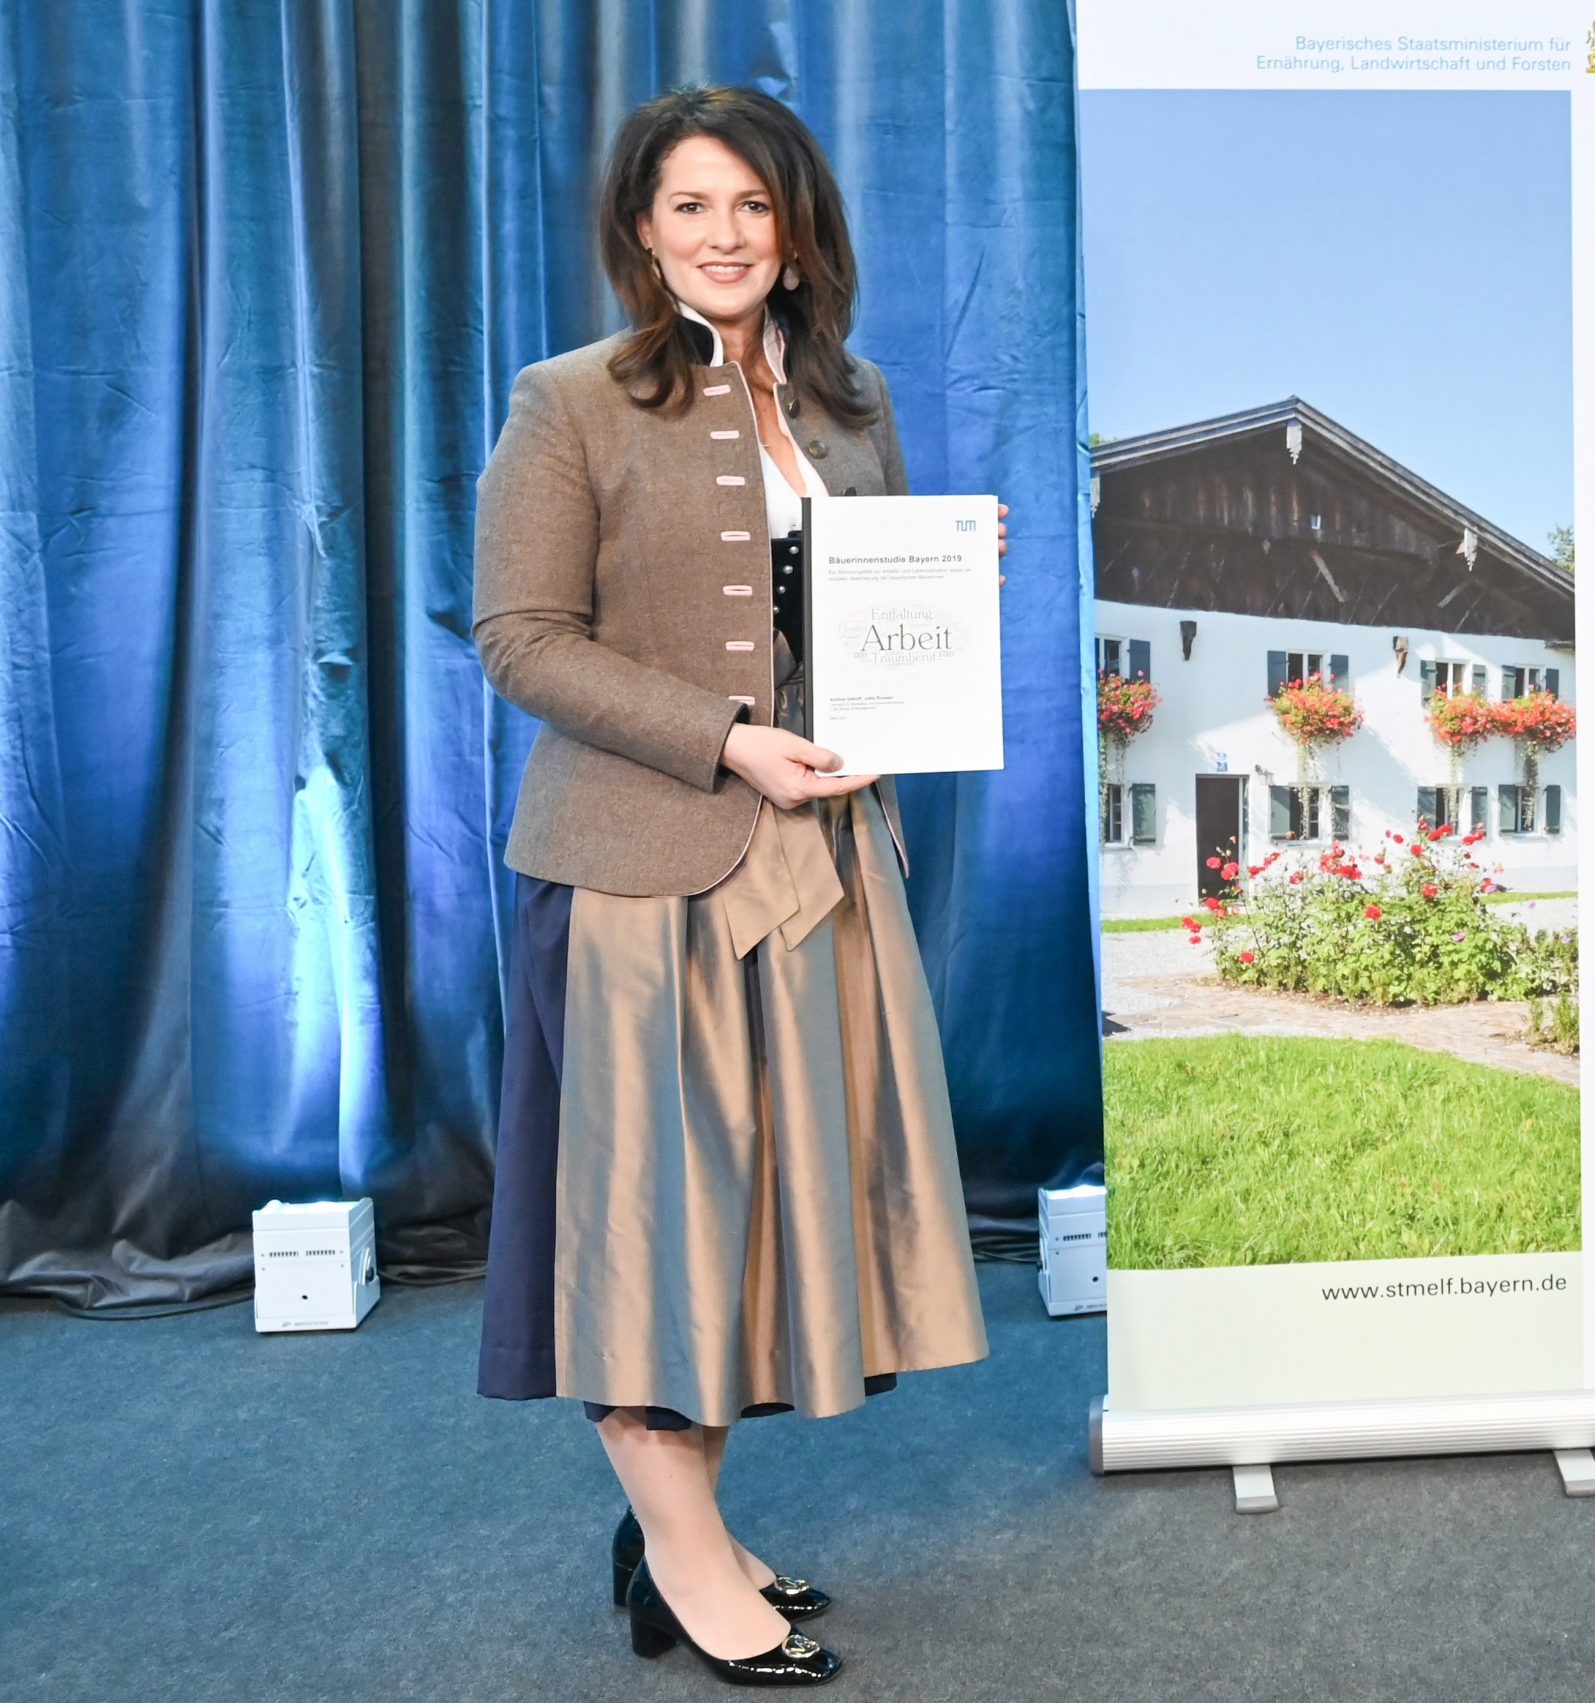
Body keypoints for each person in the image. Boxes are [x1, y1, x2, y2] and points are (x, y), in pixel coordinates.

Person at [472, 86, 999, 1686]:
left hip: (820, 867)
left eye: (751, 206)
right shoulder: (568, 400)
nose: (722, 236)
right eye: (690, 206)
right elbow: (519, 641)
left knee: (756, 1220)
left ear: (797, 227)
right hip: (641, 881)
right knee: (652, 1232)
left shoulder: (853, 399)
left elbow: (858, 625)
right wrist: (725, 740)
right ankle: (688, 1561)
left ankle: (676, 1532)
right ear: (643, 230)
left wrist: (946, 589)